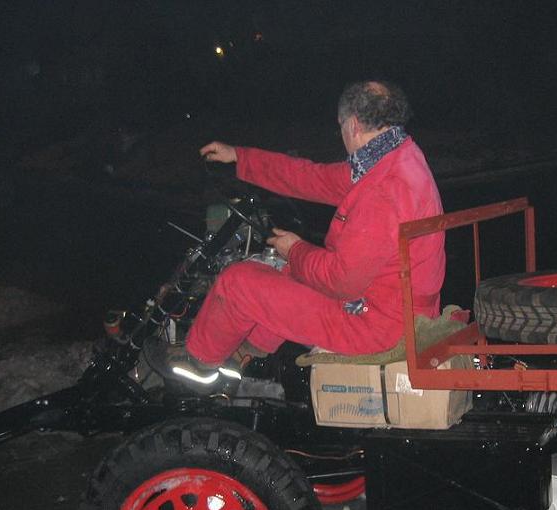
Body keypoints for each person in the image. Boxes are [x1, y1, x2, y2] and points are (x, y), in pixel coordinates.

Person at [144, 80, 446, 392]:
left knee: (238, 282)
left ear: (353, 125)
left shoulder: (386, 188)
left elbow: (342, 281)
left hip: (376, 326)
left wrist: (296, 249)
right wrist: (241, 157)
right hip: (397, 310)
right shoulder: (394, 157)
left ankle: (198, 366)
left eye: (341, 127)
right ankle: (244, 357)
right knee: (284, 273)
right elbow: (312, 178)